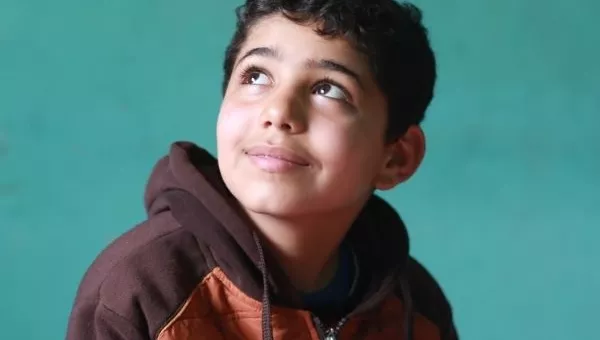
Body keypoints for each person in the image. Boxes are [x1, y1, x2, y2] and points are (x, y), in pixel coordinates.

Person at [66, 0, 458, 339]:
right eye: (256, 76)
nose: (278, 112)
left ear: (396, 158)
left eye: (329, 89)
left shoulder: (415, 308)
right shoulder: (141, 289)